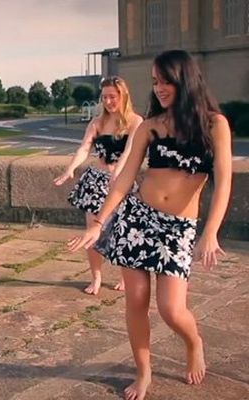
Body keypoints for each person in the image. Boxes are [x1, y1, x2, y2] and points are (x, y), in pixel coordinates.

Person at [69, 49, 232, 400]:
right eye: (155, 81)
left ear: (184, 80)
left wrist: (211, 232)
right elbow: (125, 179)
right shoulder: (149, 126)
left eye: (165, 81)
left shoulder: (214, 125)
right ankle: (143, 373)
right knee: (137, 300)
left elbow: (224, 182)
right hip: (137, 220)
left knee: (172, 310)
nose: (158, 88)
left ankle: (194, 342)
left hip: (178, 229)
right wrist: (99, 222)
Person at [54, 76, 143, 295]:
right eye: (104, 97)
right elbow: (84, 148)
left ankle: (124, 276)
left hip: (121, 182)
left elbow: (129, 152)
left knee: (122, 232)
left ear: (123, 95)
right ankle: (96, 277)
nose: (108, 101)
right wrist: (70, 168)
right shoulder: (98, 122)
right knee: (92, 232)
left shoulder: (135, 121)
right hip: (96, 181)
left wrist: (119, 176)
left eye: (113, 96)